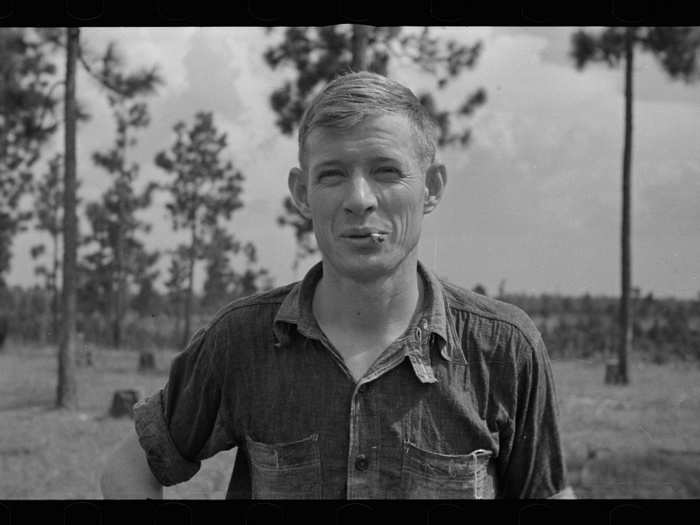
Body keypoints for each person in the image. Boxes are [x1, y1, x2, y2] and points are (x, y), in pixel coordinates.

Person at [100, 71, 573, 499]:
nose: (359, 199)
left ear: (431, 187)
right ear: (302, 193)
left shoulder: (504, 349)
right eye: (332, 174)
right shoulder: (241, 341)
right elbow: (128, 469)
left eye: (386, 170)